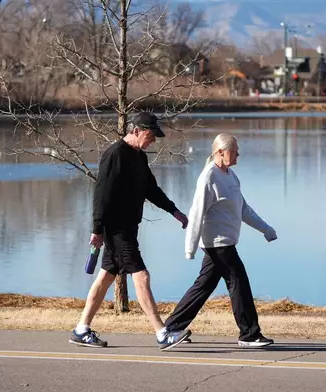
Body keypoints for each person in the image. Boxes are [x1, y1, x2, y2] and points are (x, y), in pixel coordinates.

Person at [69, 112, 192, 351]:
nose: (154, 139)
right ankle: (162, 333)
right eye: (151, 134)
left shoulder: (139, 158)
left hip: (128, 227)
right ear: (135, 130)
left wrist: (174, 211)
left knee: (106, 276)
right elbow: (101, 194)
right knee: (141, 275)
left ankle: (81, 329)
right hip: (116, 228)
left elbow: (151, 190)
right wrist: (97, 229)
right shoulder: (115, 154)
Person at [163, 133, 278, 348]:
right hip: (217, 243)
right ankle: (249, 334)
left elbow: (243, 209)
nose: (238, 155)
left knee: (203, 286)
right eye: (234, 151)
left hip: (225, 243)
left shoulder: (231, 177)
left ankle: (172, 327)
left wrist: (266, 229)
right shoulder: (209, 177)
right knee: (238, 281)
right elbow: (197, 212)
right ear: (220, 152)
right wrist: (190, 247)